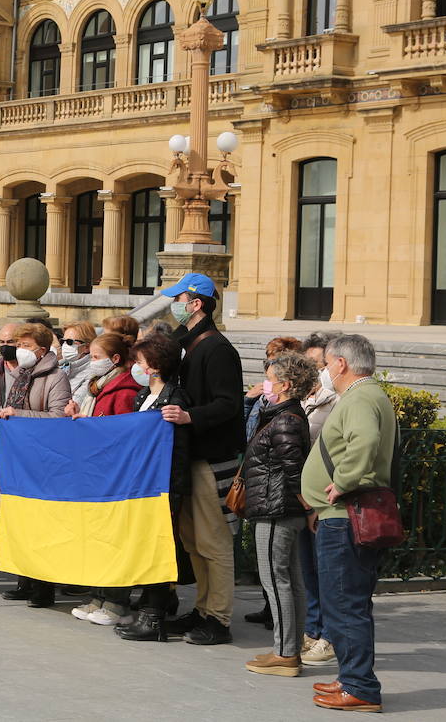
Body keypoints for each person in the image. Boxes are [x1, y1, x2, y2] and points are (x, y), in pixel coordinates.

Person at [301, 334, 396, 713]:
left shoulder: (361, 397)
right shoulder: (366, 395)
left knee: (344, 604)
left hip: (345, 517)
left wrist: (342, 482)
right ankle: (351, 678)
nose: (324, 370)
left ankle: (360, 687)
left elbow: (365, 441)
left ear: (340, 364)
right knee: (344, 602)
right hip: (341, 515)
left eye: (326, 363)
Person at [159, 272, 245, 646]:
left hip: (212, 459)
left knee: (214, 542)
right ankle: (203, 608)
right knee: (193, 541)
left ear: (196, 304)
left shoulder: (218, 349)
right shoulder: (187, 343)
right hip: (189, 457)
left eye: (178, 299)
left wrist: (189, 416)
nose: (173, 305)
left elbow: (229, 404)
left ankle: (219, 618)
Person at [241, 352, 318, 678]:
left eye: (271, 379)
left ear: (285, 385)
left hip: (277, 509)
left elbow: (293, 471)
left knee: (277, 581)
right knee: (289, 580)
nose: (265, 384)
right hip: (282, 507)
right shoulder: (284, 415)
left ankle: (285, 654)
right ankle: (290, 649)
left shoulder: (285, 420)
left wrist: (308, 507)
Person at [116, 332, 194, 643]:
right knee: (144, 544)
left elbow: (177, 447)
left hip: (163, 485)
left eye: (141, 361)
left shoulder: (175, 399)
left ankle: (153, 616)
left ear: (156, 365)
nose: (136, 366)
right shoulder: (142, 396)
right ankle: (154, 604)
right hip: (141, 483)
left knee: (158, 546)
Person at [63, 330, 144, 624]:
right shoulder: (99, 386)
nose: (92, 361)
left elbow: (120, 432)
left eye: (96, 357)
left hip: (115, 477)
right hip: (97, 474)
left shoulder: (124, 391)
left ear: (115, 359)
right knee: (98, 539)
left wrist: (90, 423)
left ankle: (116, 602)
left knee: (114, 541)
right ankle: (98, 596)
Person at [0, 321, 71, 606]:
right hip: (14, 458)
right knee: (14, 520)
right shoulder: (20, 375)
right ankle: (24, 580)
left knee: (39, 524)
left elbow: (59, 418)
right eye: (18, 344)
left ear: (42, 350)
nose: (19, 350)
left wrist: (17, 415)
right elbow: (8, 410)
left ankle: (43, 586)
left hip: (40, 462)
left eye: (26, 346)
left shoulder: (56, 377)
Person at [298, 332, 339, 668]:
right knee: (308, 569)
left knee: (326, 570)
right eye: (309, 363)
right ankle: (312, 629)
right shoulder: (303, 398)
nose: (314, 370)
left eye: (319, 363)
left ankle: (329, 635)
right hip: (301, 496)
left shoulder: (336, 400)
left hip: (324, 500)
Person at [245, 336, 303, 442]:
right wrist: (248, 401)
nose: (269, 368)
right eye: (267, 363)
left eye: (274, 364)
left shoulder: (292, 407)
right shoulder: (263, 398)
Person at [59, 320, 99, 410]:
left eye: (69, 342)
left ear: (87, 347)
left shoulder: (92, 373)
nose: (64, 346)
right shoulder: (60, 366)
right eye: (63, 341)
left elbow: (73, 407)